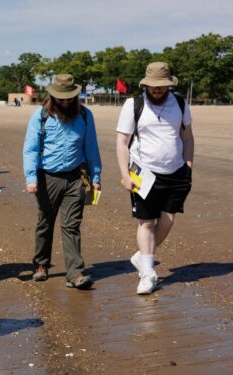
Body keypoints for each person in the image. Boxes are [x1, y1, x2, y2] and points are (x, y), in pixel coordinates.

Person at [116, 62, 194, 295]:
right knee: (146, 222)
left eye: (162, 86)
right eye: (153, 86)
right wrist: (124, 174)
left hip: (177, 172)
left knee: (168, 219)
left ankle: (142, 256)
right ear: (146, 85)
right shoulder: (134, 104)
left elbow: (187, 138)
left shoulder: (180, 103)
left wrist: (188, 167)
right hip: (144, 173)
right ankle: (148, 273)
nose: (157, 90)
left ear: (169, 85)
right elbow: (122, 142)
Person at [22, 74, 102, 289]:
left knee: (72, 225)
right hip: (47, 177)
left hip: (76, 177)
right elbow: (30, 149)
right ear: (52, 96)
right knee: (45, 222)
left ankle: (75, 273)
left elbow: (91, 147)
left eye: (69, 98)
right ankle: (41, 264)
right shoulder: (40, 116)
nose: (65, 102)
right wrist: (31, 178)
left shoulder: (85, 115)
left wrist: (95, 177)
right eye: (61, 98)